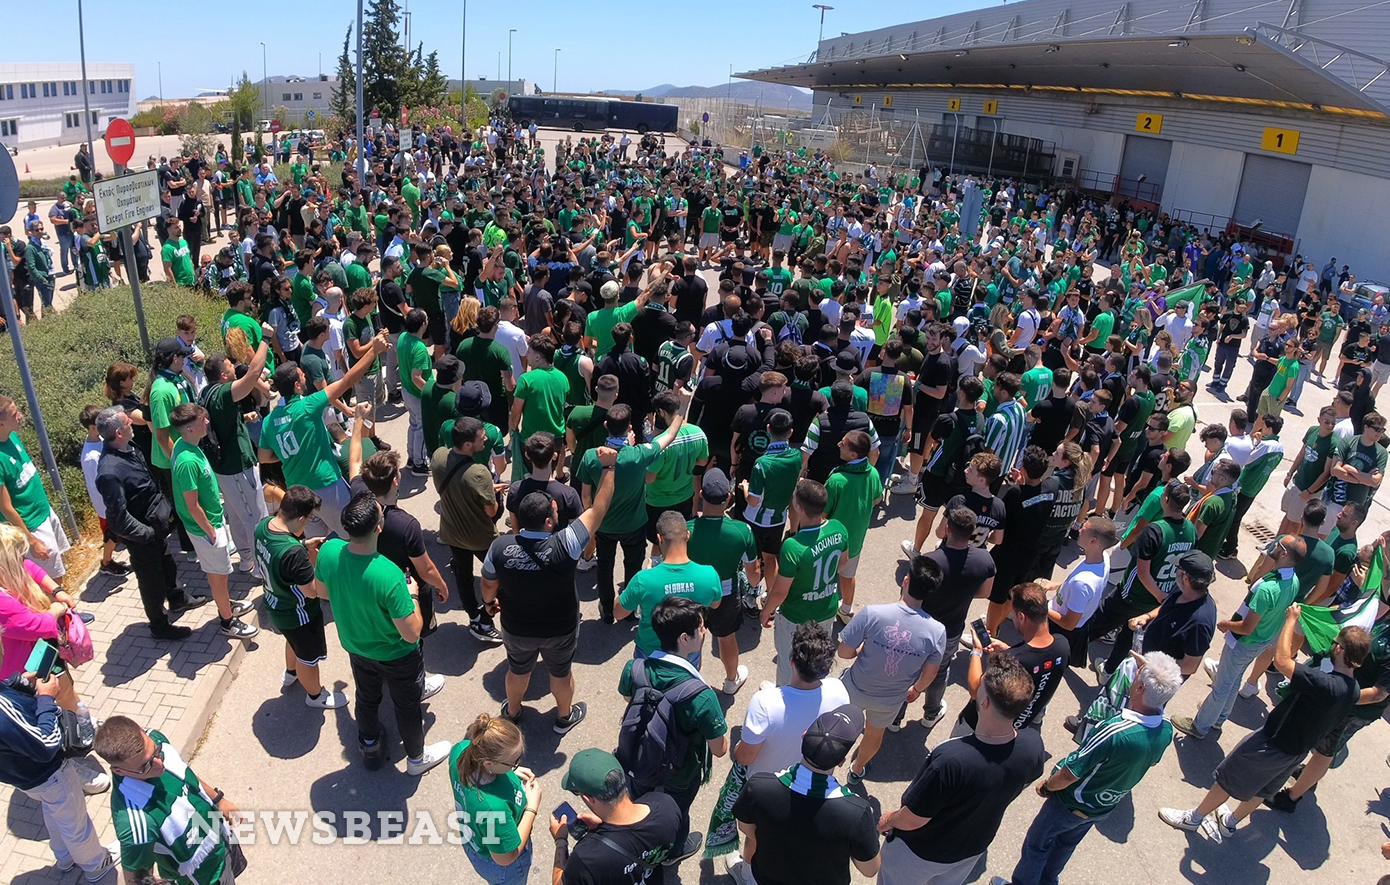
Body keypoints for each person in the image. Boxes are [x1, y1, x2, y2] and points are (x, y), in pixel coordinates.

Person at [1160, 609, 1366, 843]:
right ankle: (1230, 822)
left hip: (1273, 742)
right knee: (1264, 788)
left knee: (1228, 778)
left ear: (1339, 650)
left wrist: (1290, 621)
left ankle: (1194, 818)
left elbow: (1282, 661)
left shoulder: (1325, 683)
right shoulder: (1354, 690)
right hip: (1296, 752)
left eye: (1334, 642)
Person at [1005, 651, 1181, 885]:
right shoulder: (1165, 729)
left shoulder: (1114, 731)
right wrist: (1154, 673)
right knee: (1065, 846)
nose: (1134, 676)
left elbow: (1070, 773)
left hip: (1069, 803)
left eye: (1138, 675)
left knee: (1037, 846)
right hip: (1100, 807)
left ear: (1140, 688)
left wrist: (1047, 786)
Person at [482, 446, 619, 733]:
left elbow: (488, 584)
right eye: (554, 511)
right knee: (561, 673)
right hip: (560, 628)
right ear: (548, 522)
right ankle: (563, 717)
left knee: (517, 670)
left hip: (516, 627)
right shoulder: (567, 542)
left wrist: (489, 602)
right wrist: (609, 468)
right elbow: (599, 509)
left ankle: (513, 713)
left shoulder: (500, 547)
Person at [876, 653, 1046, 885]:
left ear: (984, 703)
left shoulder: (951, 759)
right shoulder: (1033, 745)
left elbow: (914, 819)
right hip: (971, 849)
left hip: (920, 852)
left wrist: (889, 820)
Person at [316, 491, 450, 775]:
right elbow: (412, 633)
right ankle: (416, 759)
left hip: (356, 647)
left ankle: (370, 745)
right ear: (378, 528)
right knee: (407, 705)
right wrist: (413, 594)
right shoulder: (390, 575)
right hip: (397, 655)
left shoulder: (328, 551)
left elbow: (322, 592)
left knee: (367, 696)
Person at [617, 597, 728, 862]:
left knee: (641, 804)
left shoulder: (635, 669)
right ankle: (673, 852)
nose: (705, 631)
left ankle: (640, 843)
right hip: (681, 773)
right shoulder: (702, 696)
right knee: (676, 813)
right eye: (701, 628)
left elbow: (629, 699)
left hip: (640, 760)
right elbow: (720, 749)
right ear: (684, 638)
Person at [1172, 535, 1307, 740]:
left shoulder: (1267, 589)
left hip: (1244, 642)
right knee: (1233, 679)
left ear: (1284, 553)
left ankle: (1200, 726)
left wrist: (1226, 624)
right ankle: (1218, 718)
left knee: (1221, 686)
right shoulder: (1293, 580)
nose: (1274, 544)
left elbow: (1246, 627)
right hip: (1261, 640)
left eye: (1278, 544)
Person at [258, 327, 389, 537]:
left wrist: (292, 455)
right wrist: (373, 350)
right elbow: (347, 381)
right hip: (326, 485)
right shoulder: (307, 406)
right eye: (302, 376)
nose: (305, 377)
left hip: (298, 493)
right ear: (297, 385)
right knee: (354, 534)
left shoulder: (268, 422)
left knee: (318, 541)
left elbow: (264, 457)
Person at [730, 706, 882, 885]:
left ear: (803, 737)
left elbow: (745, 827)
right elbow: (870, 869)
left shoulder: (758, 786)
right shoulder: (856, 812)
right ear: (841, 761)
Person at [94, 407, 209, 641]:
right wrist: (146, 534)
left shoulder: (129, 447)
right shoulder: (109, 472)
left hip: (155, 529)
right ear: (118, 433)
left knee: (168, 565)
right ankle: (159, 626)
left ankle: (177, 599)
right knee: (151, 582)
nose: (132, 424)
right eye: (128, 423)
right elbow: (117, 518)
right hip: (143, 538)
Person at [836, 554, 946, 784]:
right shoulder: (937, 632)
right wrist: (916, 690)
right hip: (890, 699)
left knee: (840, 725)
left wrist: (861, 650)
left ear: (906, 580)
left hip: (855, 686)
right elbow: (931, 673)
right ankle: (857, 769)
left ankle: (829, 761)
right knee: (875, 734)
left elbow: (843, 652)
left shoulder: (872, 613)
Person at [95, 715, 242, 885]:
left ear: (142, 730)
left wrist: (217, 800)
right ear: (119, 771)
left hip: (220, 837)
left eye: (156, 752)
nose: (160, 764)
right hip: (205, 878)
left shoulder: (156, 738)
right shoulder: (135, 823)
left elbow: (184, 773)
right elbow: (136, 880)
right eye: (146, 766)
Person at [0, 670, 116, 881]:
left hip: (25, 778)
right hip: (51, 774)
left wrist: (13, 685)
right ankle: (96, 864)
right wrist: (46, 698)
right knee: (75, 823)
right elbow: (47, 744)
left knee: (56, 811)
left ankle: (65, 858)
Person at [577, 405, 686, 623]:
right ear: (629, 427)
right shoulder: (640, 454)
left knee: (605, 566)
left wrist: (592, 521)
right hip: (634, 525)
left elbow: (586, 496)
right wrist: (682, 406)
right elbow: (670, 435)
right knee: (633, 567)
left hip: (604, 526)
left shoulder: (591, 456)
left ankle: (607, 609)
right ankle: (628, 609)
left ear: (606, 425)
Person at [168, 404, 258, 640]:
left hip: (209, 524)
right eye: (202, 420)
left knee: (217, 573)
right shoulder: (187, 461)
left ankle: (225, 604)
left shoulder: (184, 445)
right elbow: (192, 505)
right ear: (189, 429)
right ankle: (227, 621)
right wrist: (212, 532)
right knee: (219, 576)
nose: (207, 422)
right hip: (206, 529)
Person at [254, 484, 347, 709]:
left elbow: (278, 552)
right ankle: (315, 696)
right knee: (308, 658)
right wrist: (324, 567)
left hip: (276, 605)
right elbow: (313, 591)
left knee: (293, 641)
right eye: (309, 519)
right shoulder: (294, 555)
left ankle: (291, 673)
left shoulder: (263, 526)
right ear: (301, 518)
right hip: (299, 614)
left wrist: (303, 544)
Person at [761, 480, 850, 686]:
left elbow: (780, 592)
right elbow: (843, 562)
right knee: (817, 659)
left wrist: (766, 611)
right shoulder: (839, 529)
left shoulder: (793, 546)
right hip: (826, 609)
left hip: (796, 616)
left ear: (799, 507)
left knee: (789, 661)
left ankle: (782, 695)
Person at [548, 749, 683, 884]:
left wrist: (561, 841)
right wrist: (604, 823)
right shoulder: (666, 806)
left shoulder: (586, 858)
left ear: (588, 798)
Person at [915, 507, 997, 728]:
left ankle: (895, 717)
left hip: (921, 627)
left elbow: (911, 597)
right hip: (950, 631)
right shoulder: (984, 560)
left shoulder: (928, 561)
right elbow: (986, 592)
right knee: (940, 670)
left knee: (910, 668)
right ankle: (931, 713)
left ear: (948, 529)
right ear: (972, 532)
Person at [198, 344, 271, 576]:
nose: (234, 368)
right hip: (236, 467)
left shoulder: (207, 392)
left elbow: (221, 419)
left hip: (224, 468)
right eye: (230, 366)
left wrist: (243, 417)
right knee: (255, 516)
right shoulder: (223, 392)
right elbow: (253, 374)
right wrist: (265, 340)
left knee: (238, 516)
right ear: (223, 375)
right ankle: (262, 568)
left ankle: (247, 559)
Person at [432, 417, 505, 643]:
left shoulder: (438, 456)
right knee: (499, 575)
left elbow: (458, 485)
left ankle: (475, 618)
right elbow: (492, 512)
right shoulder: (479, 473)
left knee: (462, 575)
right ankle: (490, 610)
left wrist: (484, 488)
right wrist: (493, 492)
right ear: (467, 444)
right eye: (481, 438)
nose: (485, 440)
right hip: (480, 537)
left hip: (452, 532)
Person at [686, 469, 759, 695]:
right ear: (728, 497)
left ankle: (689, 684)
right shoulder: (742, 531)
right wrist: (754, 587)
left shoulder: (686, 530)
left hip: (692, 594)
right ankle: (731, 680)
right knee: (726, 639)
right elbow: (754, 572)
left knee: (691, 640)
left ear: (701, 495)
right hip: (727, 595)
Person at [449, 713, 543, 885]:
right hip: (503, 867)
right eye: (513, 762)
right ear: (488, 763)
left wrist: (509, 771)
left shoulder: (461, 750)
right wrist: (532, 807)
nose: (516, 764)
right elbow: (506, 858)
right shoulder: (493, 811)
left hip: (474, 841)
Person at [615, 513, 722, 659]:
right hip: (688, 652)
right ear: (688, 535)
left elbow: (618, 612)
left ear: (659, 538)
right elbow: (715, 604)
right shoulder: (709, 575)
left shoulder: (643, 580)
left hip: (650, 652)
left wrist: (640, 582)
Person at [0, 395, 70, 581]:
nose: (20, 416)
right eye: (14, 414)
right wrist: (31, 540)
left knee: (59, 567)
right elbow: (5, 508)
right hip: (30, 525)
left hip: (44, 512)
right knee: (50, 579)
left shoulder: (12, 436)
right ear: (0, 423)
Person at [824, 429, 885, 622]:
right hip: (856, 539)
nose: (838, 444)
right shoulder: (873, 472)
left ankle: (822, 611)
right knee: (848, 575)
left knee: (824, 577)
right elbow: (877, 499)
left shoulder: (836, 480)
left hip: (832, 541)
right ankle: (846, 610)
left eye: (843, 443)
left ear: (853, 455)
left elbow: (822, 513)